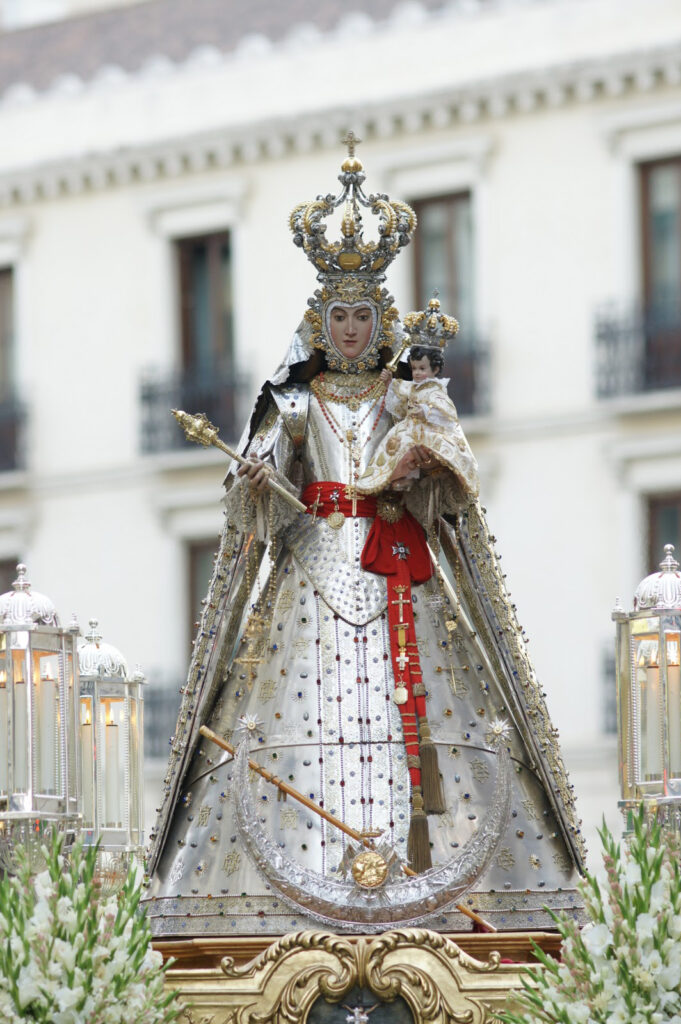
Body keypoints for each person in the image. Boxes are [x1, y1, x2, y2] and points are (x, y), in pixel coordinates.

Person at [145, 143, 584, 939]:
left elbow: (453, 482)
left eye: (361, 317)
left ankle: (451, 881)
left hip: (397, 578)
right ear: (320, 322)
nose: (349, 331)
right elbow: (259, 504)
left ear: (378, 321)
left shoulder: (407, 395)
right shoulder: (290, 402)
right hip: (310, 576)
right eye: (337, 317)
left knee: (420, 712)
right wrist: (253, 484)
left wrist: (418, 457)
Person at [356, 296, 478, 498]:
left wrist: (425, 411)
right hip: (410, 429)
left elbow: (447, 413)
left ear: (436, 369)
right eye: (414, 369)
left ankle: (409, 478)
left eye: (422, 368)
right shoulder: (412, 387)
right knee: (394, 445)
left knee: (421, 450)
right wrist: (388, 382)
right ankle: (385, 478)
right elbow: (398, 392)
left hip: (430, 433)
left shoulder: (436, 392)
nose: (417, 373)